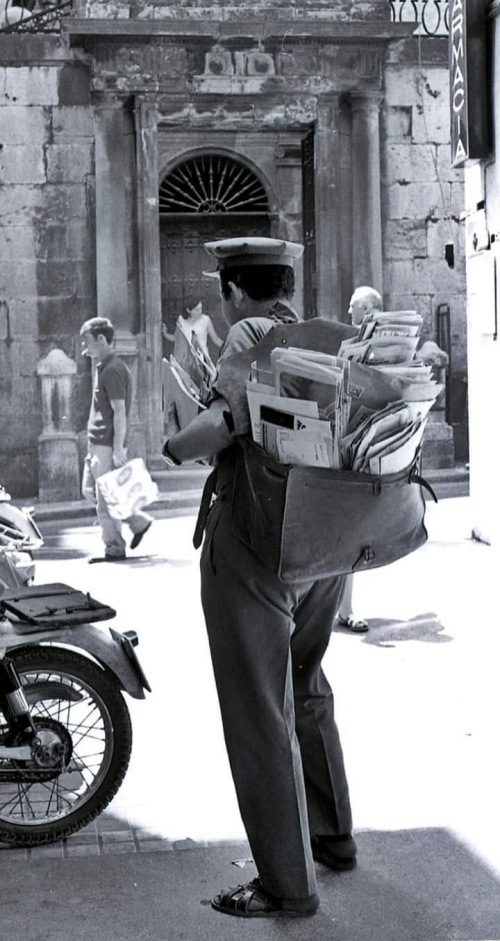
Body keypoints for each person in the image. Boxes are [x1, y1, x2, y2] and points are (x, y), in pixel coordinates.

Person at [162, 237, 355, 919]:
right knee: (307, 685)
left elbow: (219, 422)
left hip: (256, 540)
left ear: (236, 290)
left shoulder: (249, 332)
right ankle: (332, 838)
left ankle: (285, 883)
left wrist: (174, 441)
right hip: (324, 539)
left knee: (257, 713)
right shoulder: (326, 337)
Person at [80, 317, 153, 562]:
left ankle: (114, 547)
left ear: (102, 339)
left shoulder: (112, 370)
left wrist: (118, 447)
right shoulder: (105, 367)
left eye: (88, 341)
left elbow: (120, 411)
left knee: (103, 499)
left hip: (105, 442)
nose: (85, 348)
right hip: (97, 441)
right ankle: (137, 521)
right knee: (92, 490)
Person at [335, 285, 384, 634]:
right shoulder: (348, 341)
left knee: (353, 529)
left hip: (371, 443)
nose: (348, 311)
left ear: (367, 310)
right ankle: (341, 608)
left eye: (353, 306)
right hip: (346, 441)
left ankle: (343, 608)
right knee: (344, 528)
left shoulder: (384, 343)